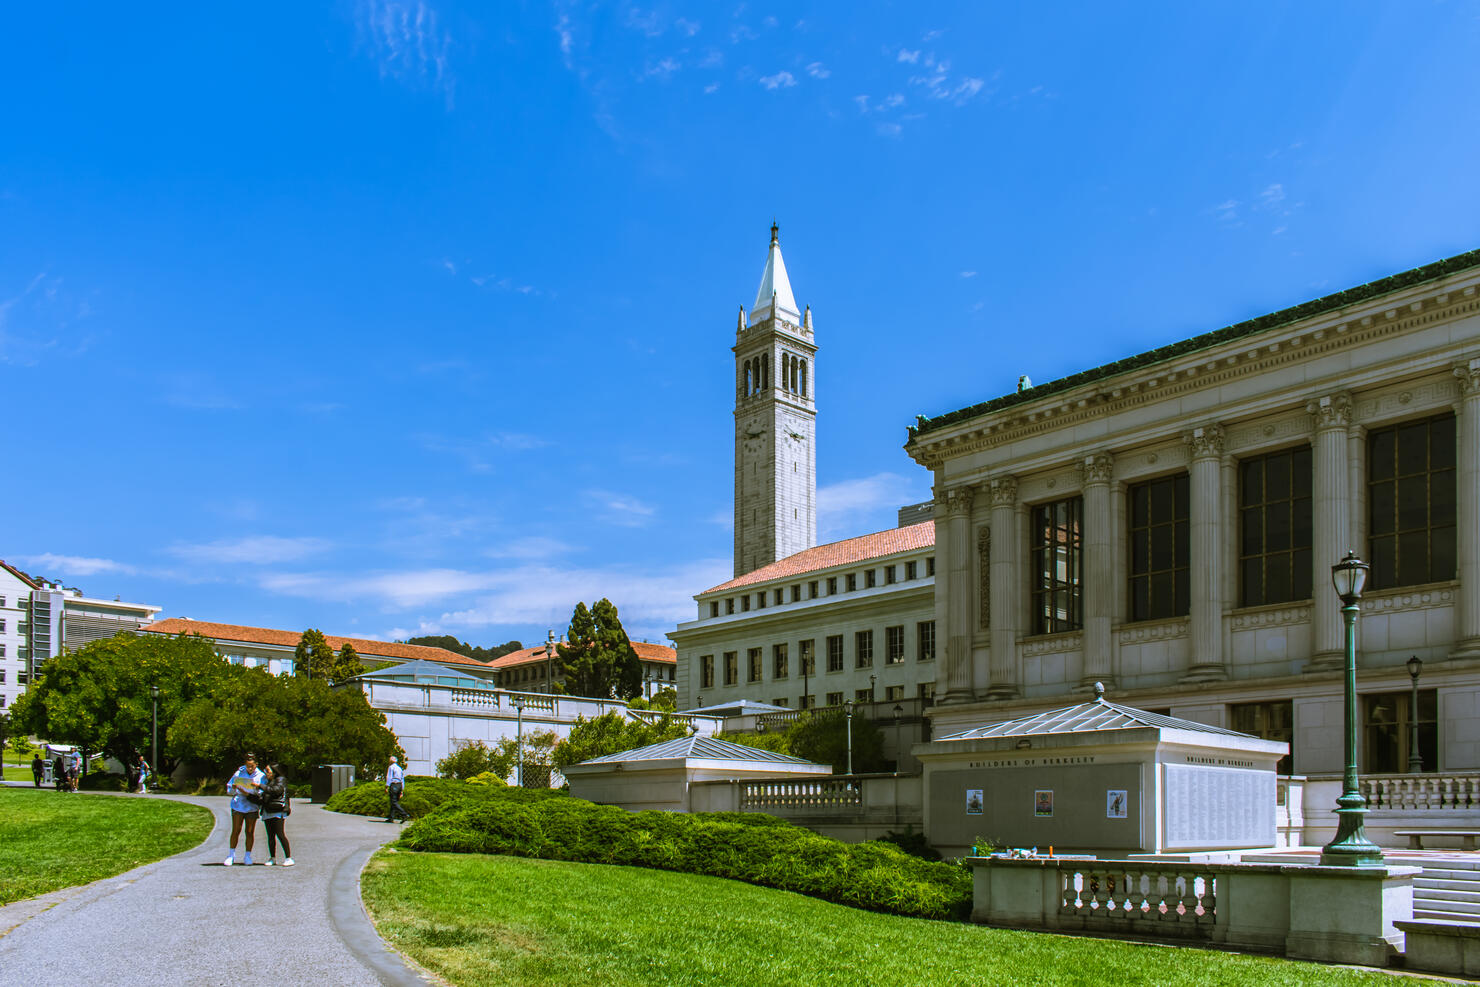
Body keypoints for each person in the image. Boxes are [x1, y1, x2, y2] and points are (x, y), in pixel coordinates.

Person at [224, 753, 265, 866]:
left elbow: (262, 792)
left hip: (252, 804)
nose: (250, 768)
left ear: (256, 764)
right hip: (239, 803)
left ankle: (248, 855)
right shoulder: (239, 773)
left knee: (249, 831)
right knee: (236, 829)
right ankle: (231, 854)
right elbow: (230, 789)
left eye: (252, 766)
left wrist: (253, 789)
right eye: (248, 766)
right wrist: (233, 788)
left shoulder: (261, 776)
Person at [258, 764, 294, 867]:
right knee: (270, 836)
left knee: (280, 834)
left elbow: (277, 791)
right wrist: (247, 794)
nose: (266, 773)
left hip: (278, 810)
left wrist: (260, 786)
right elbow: (261, 798)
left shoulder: (281, 779)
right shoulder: (267, 782)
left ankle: (288, 858)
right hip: (268, 810)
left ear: (275, 771)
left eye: (268, 771)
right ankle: (272, 857)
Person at [385, 756, 409, 823]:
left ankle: (404, 814)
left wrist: (387, 786)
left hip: (394, 784)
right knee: (395, 801)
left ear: (391, 761)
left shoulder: (391, 767)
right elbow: (402, 779)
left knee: (393, 802)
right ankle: (391, 817)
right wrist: (402, 790)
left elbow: (389, 777)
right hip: (399, 785)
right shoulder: (399, 768)